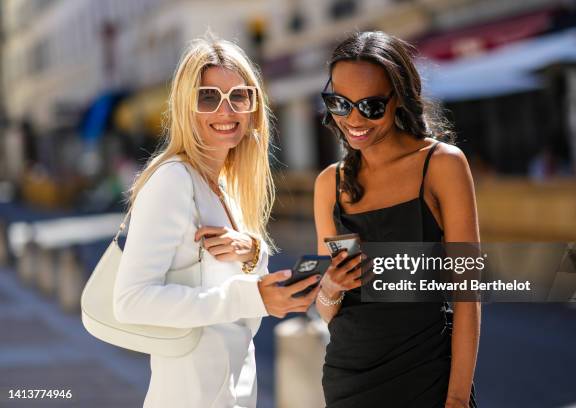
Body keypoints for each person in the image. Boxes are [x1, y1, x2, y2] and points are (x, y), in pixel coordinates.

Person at [113, 35, 320, 408]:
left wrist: (252, 251)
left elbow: (241, 309)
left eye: (239, 96)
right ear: (185, 106)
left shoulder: (227, 186)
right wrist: (251, 296)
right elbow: (131, 301)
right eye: (208, 96)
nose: (226, 110)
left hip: (237, 393)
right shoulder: (174, 180)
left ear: (253, 105)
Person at [314, 31, 480, 408]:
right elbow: (327, 311)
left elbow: (468, 295)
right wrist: (329, 286)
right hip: (349, 381)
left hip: (427, 378)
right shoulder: (329, 184)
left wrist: (455, 398)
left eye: (370, 106)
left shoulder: (442, 165)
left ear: (398, 99)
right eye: (339, 103)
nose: (353, 119)